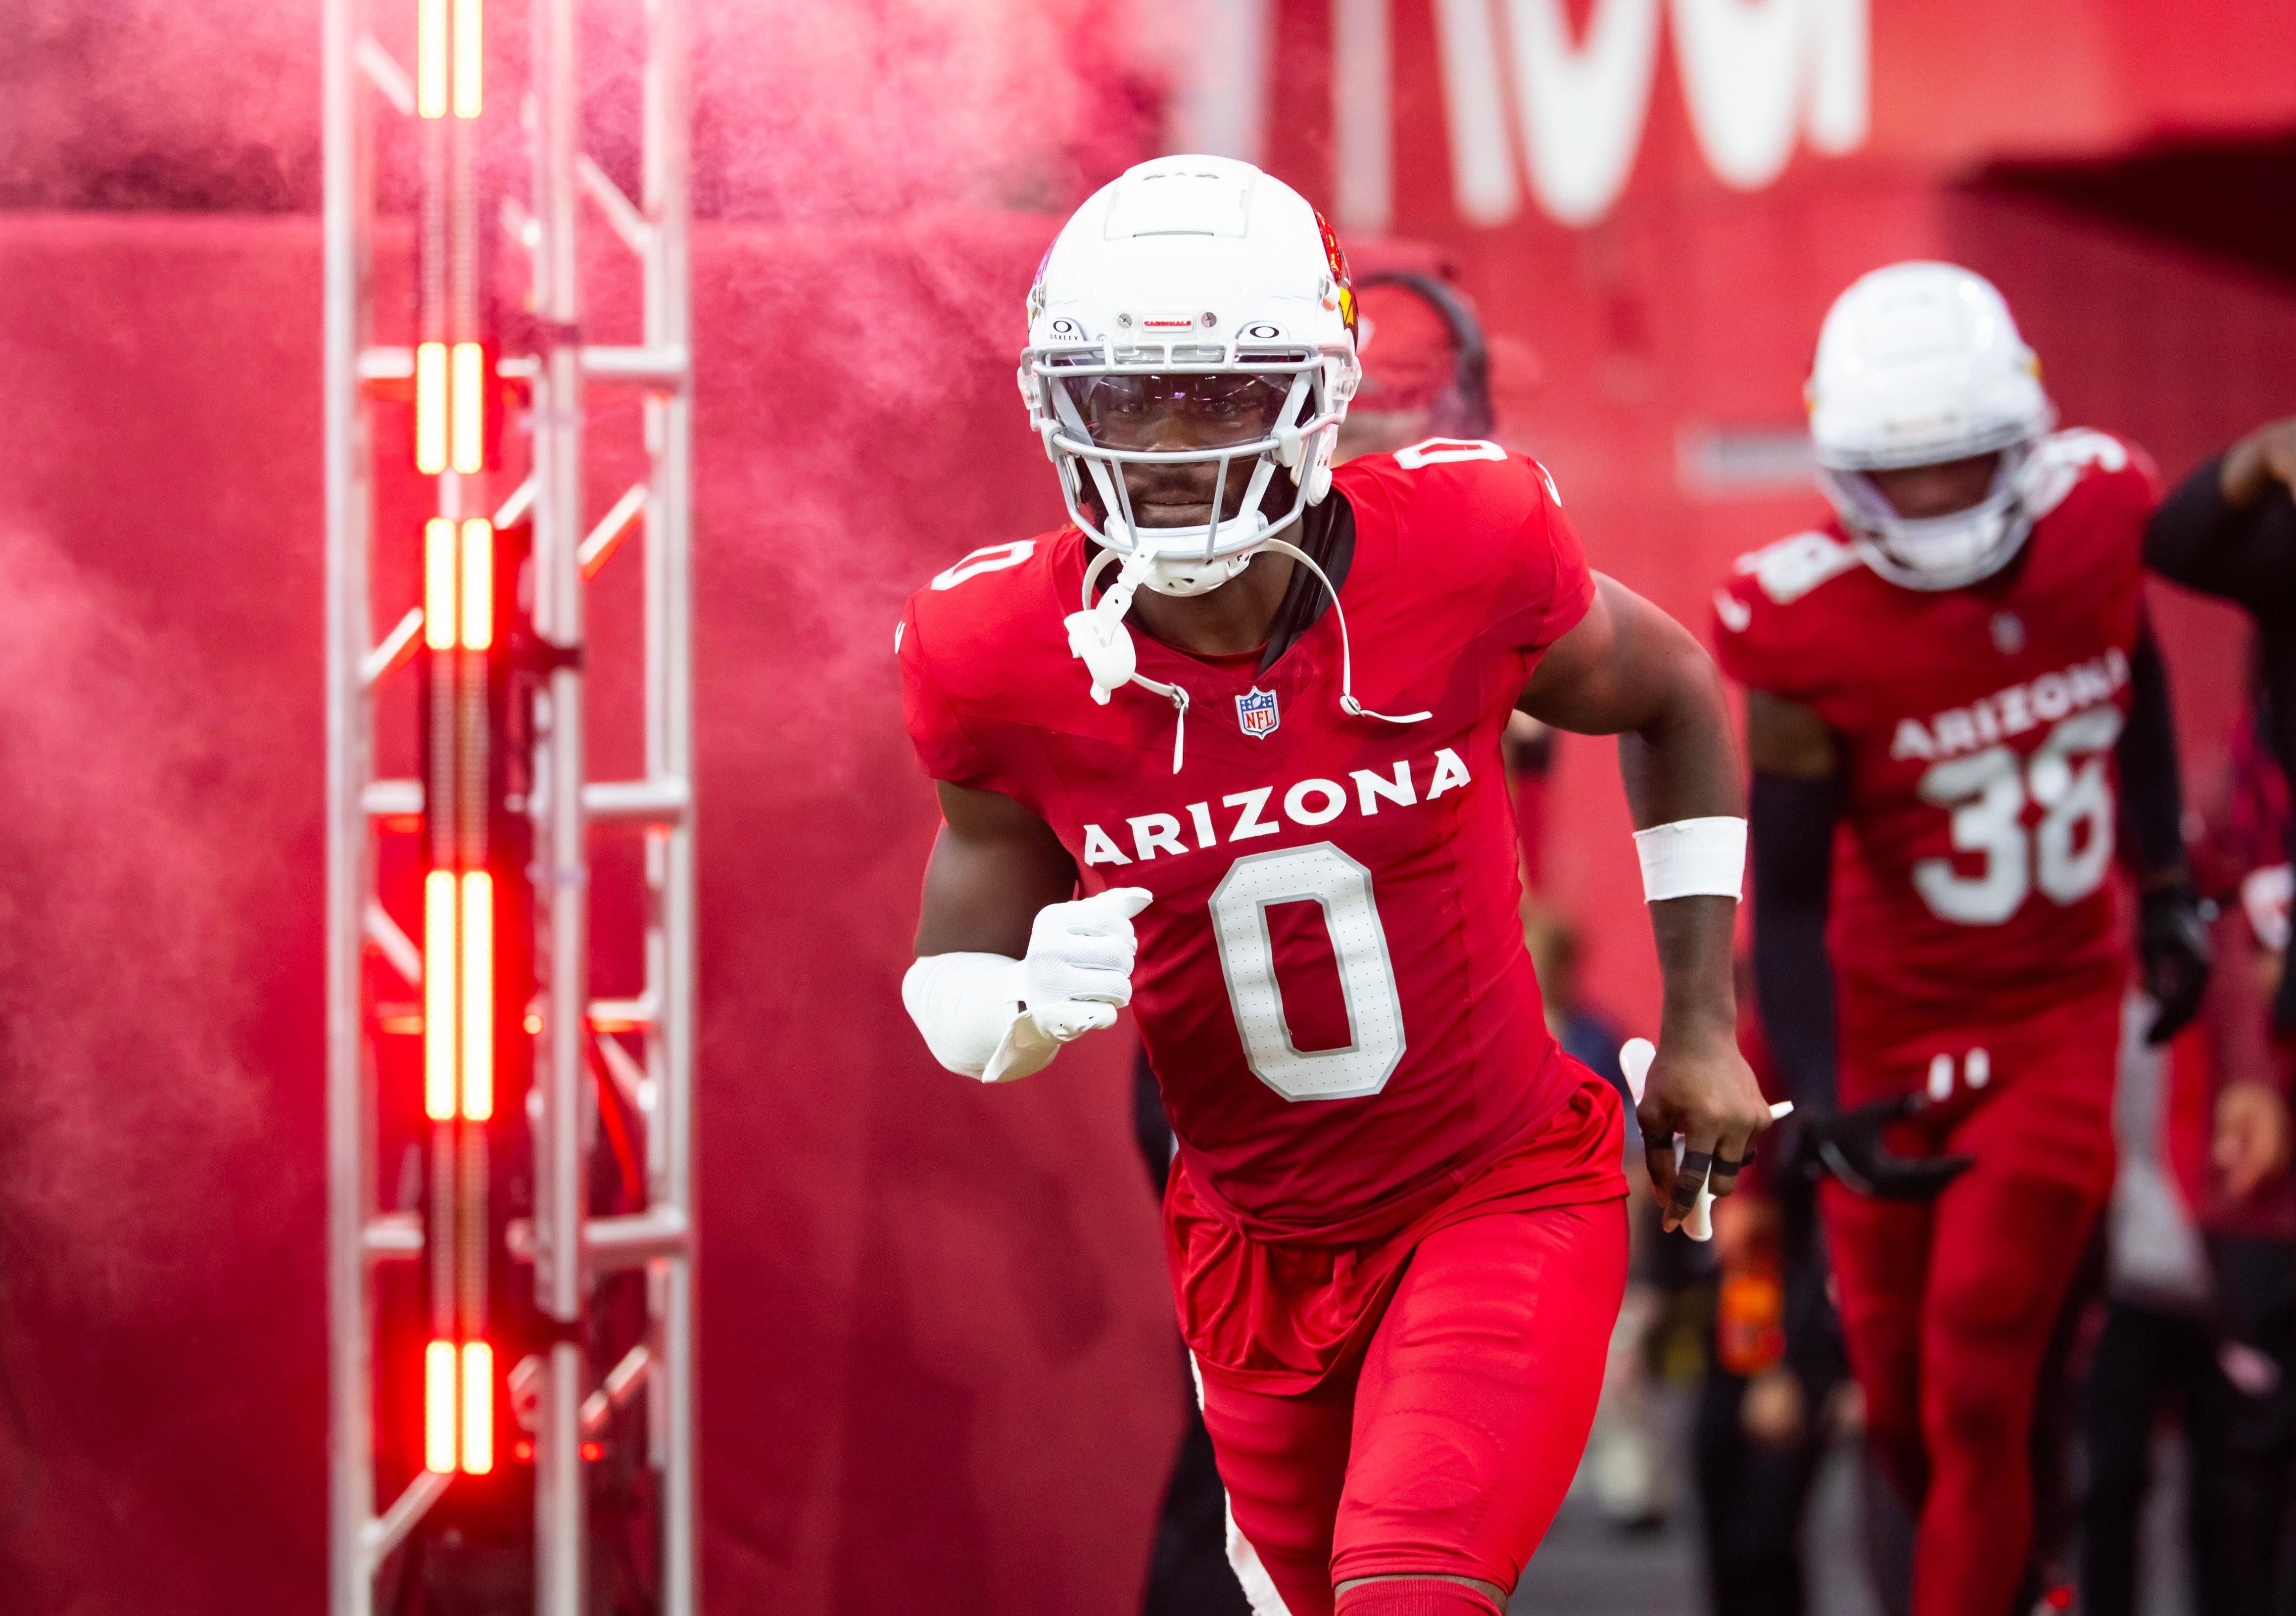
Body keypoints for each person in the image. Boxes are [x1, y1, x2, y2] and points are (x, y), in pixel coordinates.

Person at [896, 154, 1770, 1616]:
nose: (1168, 446)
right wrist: (1025, 1010)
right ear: (1058, 403)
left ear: (1319, 388)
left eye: (1220, 392)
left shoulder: (1466, 542)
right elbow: (950, 965)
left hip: (1494, 1187)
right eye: (1125, 396)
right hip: (1249, 1246)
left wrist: (1697, 1021)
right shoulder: (997, 649)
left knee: (1409, 1590)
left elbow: (1676, 688)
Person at [1711, 262, 2209, 1616]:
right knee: (1901, 1401)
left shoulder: (2102, 510)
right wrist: (1814, 1091)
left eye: (1964, 464)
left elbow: (2137, 672)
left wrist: (2162, 879)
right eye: (1901, 474)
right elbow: (1797, 892)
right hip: (1884, 1021)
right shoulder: (1801, 615)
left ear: (2027, 432)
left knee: (1983, 1356)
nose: (1934, 502)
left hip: (2054, 1007)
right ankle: (2025, 1580)